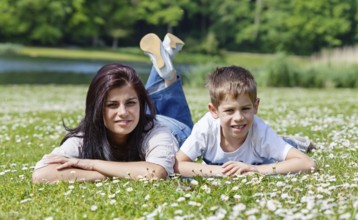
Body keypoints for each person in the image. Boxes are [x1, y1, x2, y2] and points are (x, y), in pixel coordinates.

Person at [32, 33, 193, 183]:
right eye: (112, 105)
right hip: (138, 118)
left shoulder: (158, 132)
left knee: (167, 112)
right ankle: (167, 57)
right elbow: (41, 174)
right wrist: (106, 174)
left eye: (130, 103)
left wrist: (91, 164)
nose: (122, 112)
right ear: (97, 109)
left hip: (173, 126)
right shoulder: (85, 138)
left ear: (141, 104)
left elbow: (156, 173)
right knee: (135, 92)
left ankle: (168, 73)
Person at [175, 65, 317, 177]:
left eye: (245, 109)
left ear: (255, 106)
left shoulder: (260, 132)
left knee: (282, 147)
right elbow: (177, 165)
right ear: (214, 111)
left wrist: (255, 169)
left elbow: (308, 163)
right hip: (253, 150)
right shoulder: (205, 128)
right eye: (229, 110)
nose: (238, 117)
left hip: (264, 150)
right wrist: (220, 172)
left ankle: (293, 143)